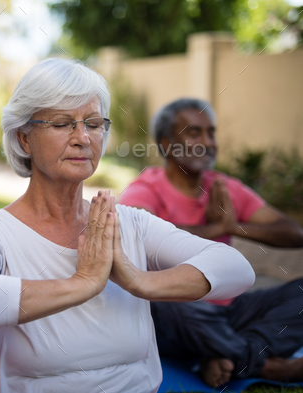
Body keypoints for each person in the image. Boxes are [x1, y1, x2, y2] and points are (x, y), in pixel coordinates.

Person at [0, 58, 255, 393]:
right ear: (24, 138)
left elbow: (237, 269)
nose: (83, 138)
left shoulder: (127, 222)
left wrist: (139, 280)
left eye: (94, 123)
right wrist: (82, 283)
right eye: (62, 124)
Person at [119, 97, 303, 387]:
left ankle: (225, 353)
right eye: (194, 133)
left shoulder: (224, 187)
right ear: (166, 144)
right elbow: (135, 233)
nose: (208, 142)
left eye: (211, 132)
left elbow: (294, 233)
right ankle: (265, 365)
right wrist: (211, 228)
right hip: (174, 318)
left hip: (230, 311)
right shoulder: (145, 189)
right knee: (163, 298)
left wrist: (232, 226)